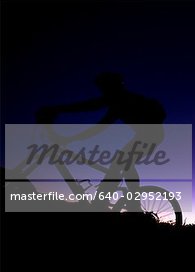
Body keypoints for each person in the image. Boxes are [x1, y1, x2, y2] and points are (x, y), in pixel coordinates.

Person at [35, 72, 166, 211]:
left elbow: (92, 110)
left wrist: (58, 112)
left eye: (104, 88)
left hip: (152, 136)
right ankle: (104, 201)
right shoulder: (118, 101)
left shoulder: (123, 99)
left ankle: (132, 205)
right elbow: (94, 116)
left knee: (121, 162)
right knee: (120, 164)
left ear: (112, 87)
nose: (102, 91)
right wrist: (69, 135)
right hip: (146, 135)